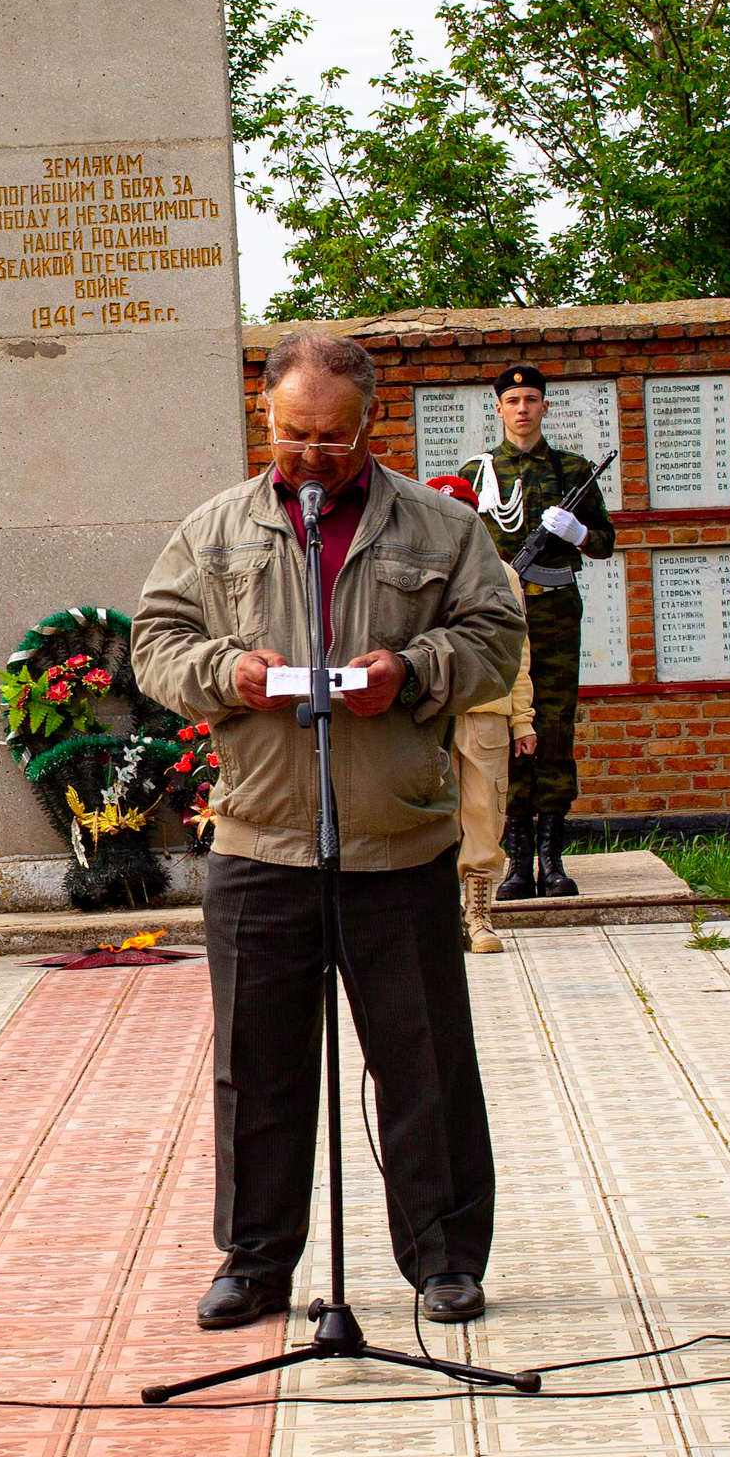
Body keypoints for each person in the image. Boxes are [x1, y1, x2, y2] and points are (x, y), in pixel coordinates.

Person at [134, 334, 526, 1331]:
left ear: (368, 424)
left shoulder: (439, 527)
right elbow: (155, 644)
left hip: (395, 842)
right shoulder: (215, 530)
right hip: (263, 840)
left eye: (332, 438)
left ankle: (442, 1257)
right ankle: (254, 1262)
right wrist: (230, 673)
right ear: (265, 420)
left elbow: (493, 637)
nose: (310, 457)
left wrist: (414, 668)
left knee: (423, 1059)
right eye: (291, 434)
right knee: (255, 1066)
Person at [464, 364, 614, 901]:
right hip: (500, 617)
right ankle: (514, 859)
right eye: (513, 400)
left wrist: (576, 534)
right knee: (504, 725)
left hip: (553, 611)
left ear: (545, 406)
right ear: (499, 409)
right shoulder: (478, 473)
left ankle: (552, 859)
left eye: (531, 399)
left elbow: (604, 543)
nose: (523, 408)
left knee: (552, 727)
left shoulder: (573, 470)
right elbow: (464, 550)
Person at [427, 475, 537, 954]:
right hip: (429, 713)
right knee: (433, 816)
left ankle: (479, 914)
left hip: (486, 712)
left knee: (483, 814)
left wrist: (523, 718)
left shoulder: (502, 573)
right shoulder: (416, 571)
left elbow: (518, 653)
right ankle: (439, 915)